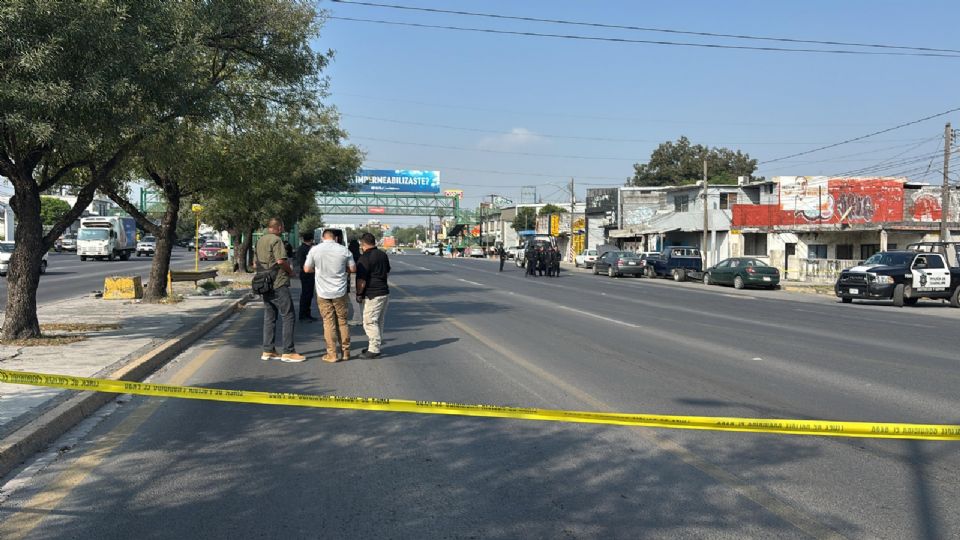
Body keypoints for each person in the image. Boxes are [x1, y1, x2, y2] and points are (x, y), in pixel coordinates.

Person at [255, 218, 304, 362]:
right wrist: (291, 272)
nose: (283, 229)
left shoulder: (260, 241)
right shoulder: (276, 240)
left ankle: (268, 350)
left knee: (269, 316)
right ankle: (288, 351)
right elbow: (281, 261)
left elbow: (254, 263)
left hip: (264, 283)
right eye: (282, 227)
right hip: (278, 282)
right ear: (278, 227)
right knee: (288, 315)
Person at [303, 229, 356, 363]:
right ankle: (346, 352)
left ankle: (332, 354)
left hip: (323, 292)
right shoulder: (344, 250)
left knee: (328, 322)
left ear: (322, 238)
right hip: (340, 291)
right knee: (342, 321)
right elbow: (353, 269)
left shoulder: (315, 250)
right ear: (336, 238)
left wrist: (319, 269)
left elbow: (307, 269)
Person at [356, 232, 391, 359]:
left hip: (372, 294)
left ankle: (374, 349)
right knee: (378, 321)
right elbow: (386, 273)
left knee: (369, 322)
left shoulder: (364, 258)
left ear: (363, 244)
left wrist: (359, 294)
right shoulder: (382, 255)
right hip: (384, 292)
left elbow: (361, 280)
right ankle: (374, 346)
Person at [347, 238, 364, 326]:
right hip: (361, 279)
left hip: (353, 278)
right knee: (360, 299)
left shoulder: (350, 257)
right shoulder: (361, 256)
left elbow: (350, 269)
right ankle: (359, 317)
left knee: (354, 299)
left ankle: (358, 318)